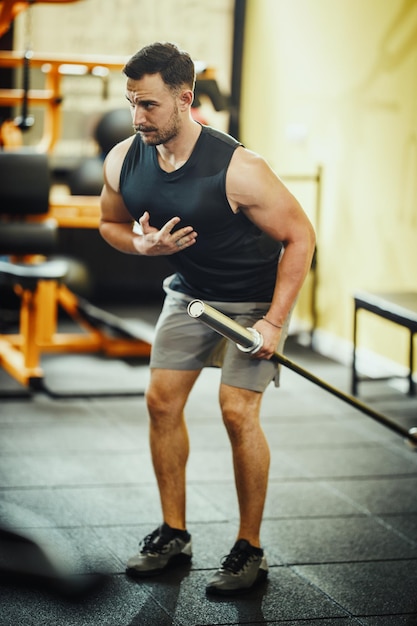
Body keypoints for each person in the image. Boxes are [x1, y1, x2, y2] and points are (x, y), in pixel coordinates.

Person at [99, 42, 316, 596]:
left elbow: (300, 236)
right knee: (160, 402)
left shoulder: (241, 168)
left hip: (251, 301)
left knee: (236, 412)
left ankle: (250, 548)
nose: (137, 116)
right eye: (131, 103)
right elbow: (109, 224)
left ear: (184, 99)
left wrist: (273, 321)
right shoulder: (125, 158)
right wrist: (142, 248)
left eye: (148, 104)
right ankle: (174, 533)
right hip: (190, 294)